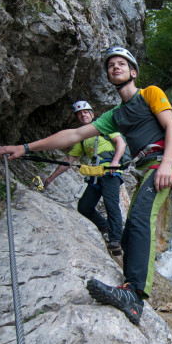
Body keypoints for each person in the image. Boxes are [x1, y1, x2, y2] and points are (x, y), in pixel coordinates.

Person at [0, 47, 172, 325]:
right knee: (131, 229)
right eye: (110, 66)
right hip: (146, 168)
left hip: (162, 165)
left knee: (141, 218)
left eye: (121, 64)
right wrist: (25, 147)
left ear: (133, 72)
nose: (115, 68)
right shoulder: (114, 116)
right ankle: (130, 292)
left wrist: (167, 163)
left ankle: (134, 296)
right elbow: (73, 134)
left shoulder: (150, 93)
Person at [42, 100, 126, 256]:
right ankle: (105, 226)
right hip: (95, 175)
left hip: (110, 172)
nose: (83, 115)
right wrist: (50, 178)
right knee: (84, 207)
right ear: (77, 118)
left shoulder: (105, 127)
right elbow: (68, 161)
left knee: (111, 204)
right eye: (80, 114)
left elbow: (121, 143)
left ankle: (116, 240)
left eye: (86, 112)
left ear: (92, 114)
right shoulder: (81, 139)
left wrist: (115, 162)